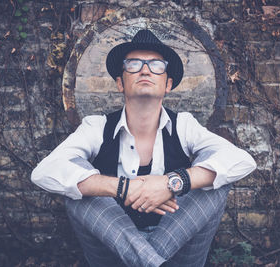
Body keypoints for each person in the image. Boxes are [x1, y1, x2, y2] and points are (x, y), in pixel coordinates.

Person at [31, 29, 256, 267]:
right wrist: (122, 188)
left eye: (156, 65)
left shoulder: (185, 125)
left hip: (177, 247)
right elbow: (43, 172)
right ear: (120, 83)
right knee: (76, 186)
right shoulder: (96, 127)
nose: (145, 70)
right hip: (113, 252)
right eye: (134, 64)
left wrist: (171, 182)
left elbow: (242, 161)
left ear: (168, 84)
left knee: (215, 181)